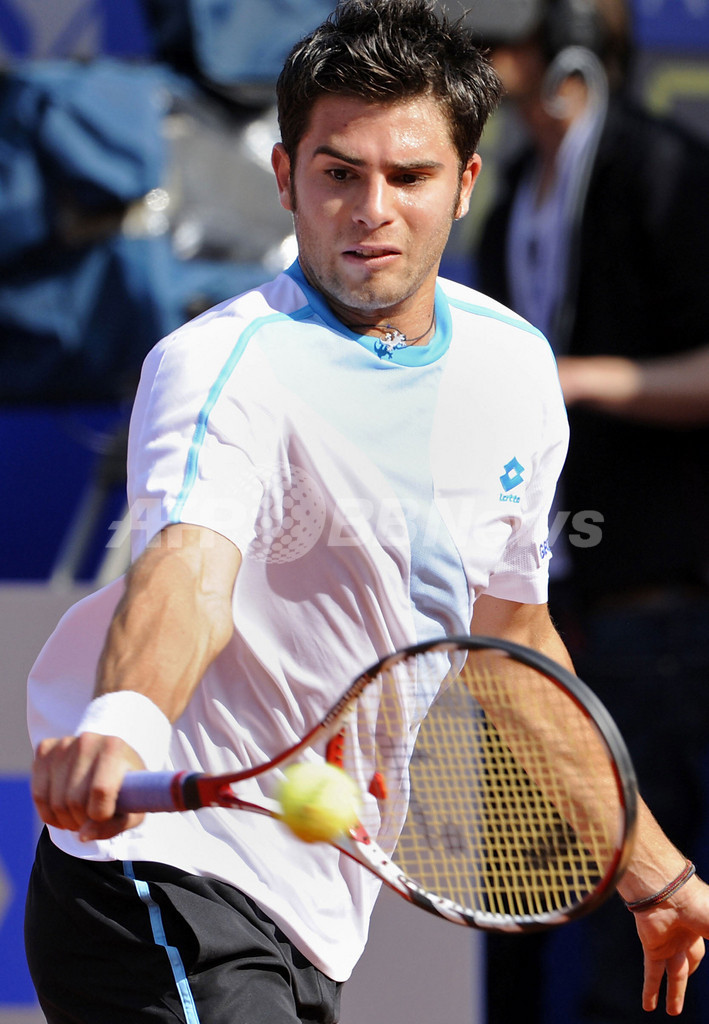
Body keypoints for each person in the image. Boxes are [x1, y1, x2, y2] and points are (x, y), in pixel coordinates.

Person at [24, 2, 709, 1023]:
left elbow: (511, 647)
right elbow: (188, 571)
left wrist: (651, 871)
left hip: (311, 911)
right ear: (285, 175)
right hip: (155, 873)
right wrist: (124, 722)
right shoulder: (218, 364)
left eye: (409, 177)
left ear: (465, 184)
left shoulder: (515, 367)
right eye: (339, 173)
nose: (370, 210)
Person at [475, 0, 709, 1021]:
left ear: (566, 37)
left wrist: (573, 379)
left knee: (641, 950)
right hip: (542, 614)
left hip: (657, 605)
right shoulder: (508, 199)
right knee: (530, 927)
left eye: (499, 38)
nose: (481, 61)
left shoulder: (661, 169)